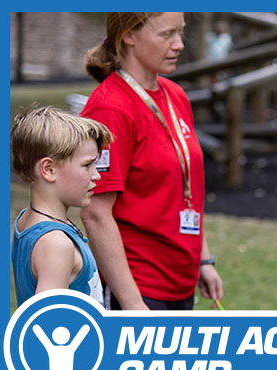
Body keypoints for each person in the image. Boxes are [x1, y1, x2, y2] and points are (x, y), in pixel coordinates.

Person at [80, 12, 223, 311]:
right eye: (167, 34)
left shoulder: (175, 95)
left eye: (180, 32)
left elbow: (184, 189)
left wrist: (203, 260)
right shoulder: (110, 108)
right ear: (129, 35)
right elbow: (95, 214)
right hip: (139, 290)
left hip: (180, 283)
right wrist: (133, 304)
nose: (179, 44)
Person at [9, 106, 112, 370]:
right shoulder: (55, 243)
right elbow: (47, 330)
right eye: (87, 166)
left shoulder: (28, 219)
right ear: (49, 169)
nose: (97, 176)